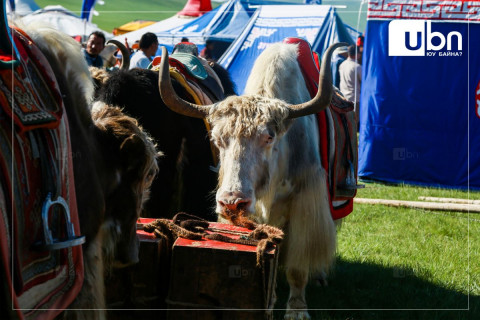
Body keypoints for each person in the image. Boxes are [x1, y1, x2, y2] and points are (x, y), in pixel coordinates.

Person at [339, 44, 363, 122]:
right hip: (355, 100)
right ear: (357, 54)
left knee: (346, 123)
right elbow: (364, 82)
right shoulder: (357, 67)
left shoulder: (342, 65)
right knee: (354, 123)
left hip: (344, 98)